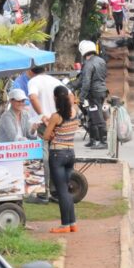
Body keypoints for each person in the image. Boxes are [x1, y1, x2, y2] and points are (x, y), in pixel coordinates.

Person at [44, 86, 80, 233]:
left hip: (57, 154)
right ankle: (73, 223)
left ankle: (65, 225)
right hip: (70, 153)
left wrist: (49, 128)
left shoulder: (56, 116)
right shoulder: (74, 112)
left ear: (55, 98)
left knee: (62, 190)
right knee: (67, 188)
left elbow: (46, 136)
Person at [77, 40, 108, 149]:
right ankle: (93, 139)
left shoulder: (88, 64)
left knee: (97, 117)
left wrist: (81, 98)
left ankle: (103, 142)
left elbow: (86, 83)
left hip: (94, 94)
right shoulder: (101, 61)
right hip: (102, 91)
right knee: (91, 116)